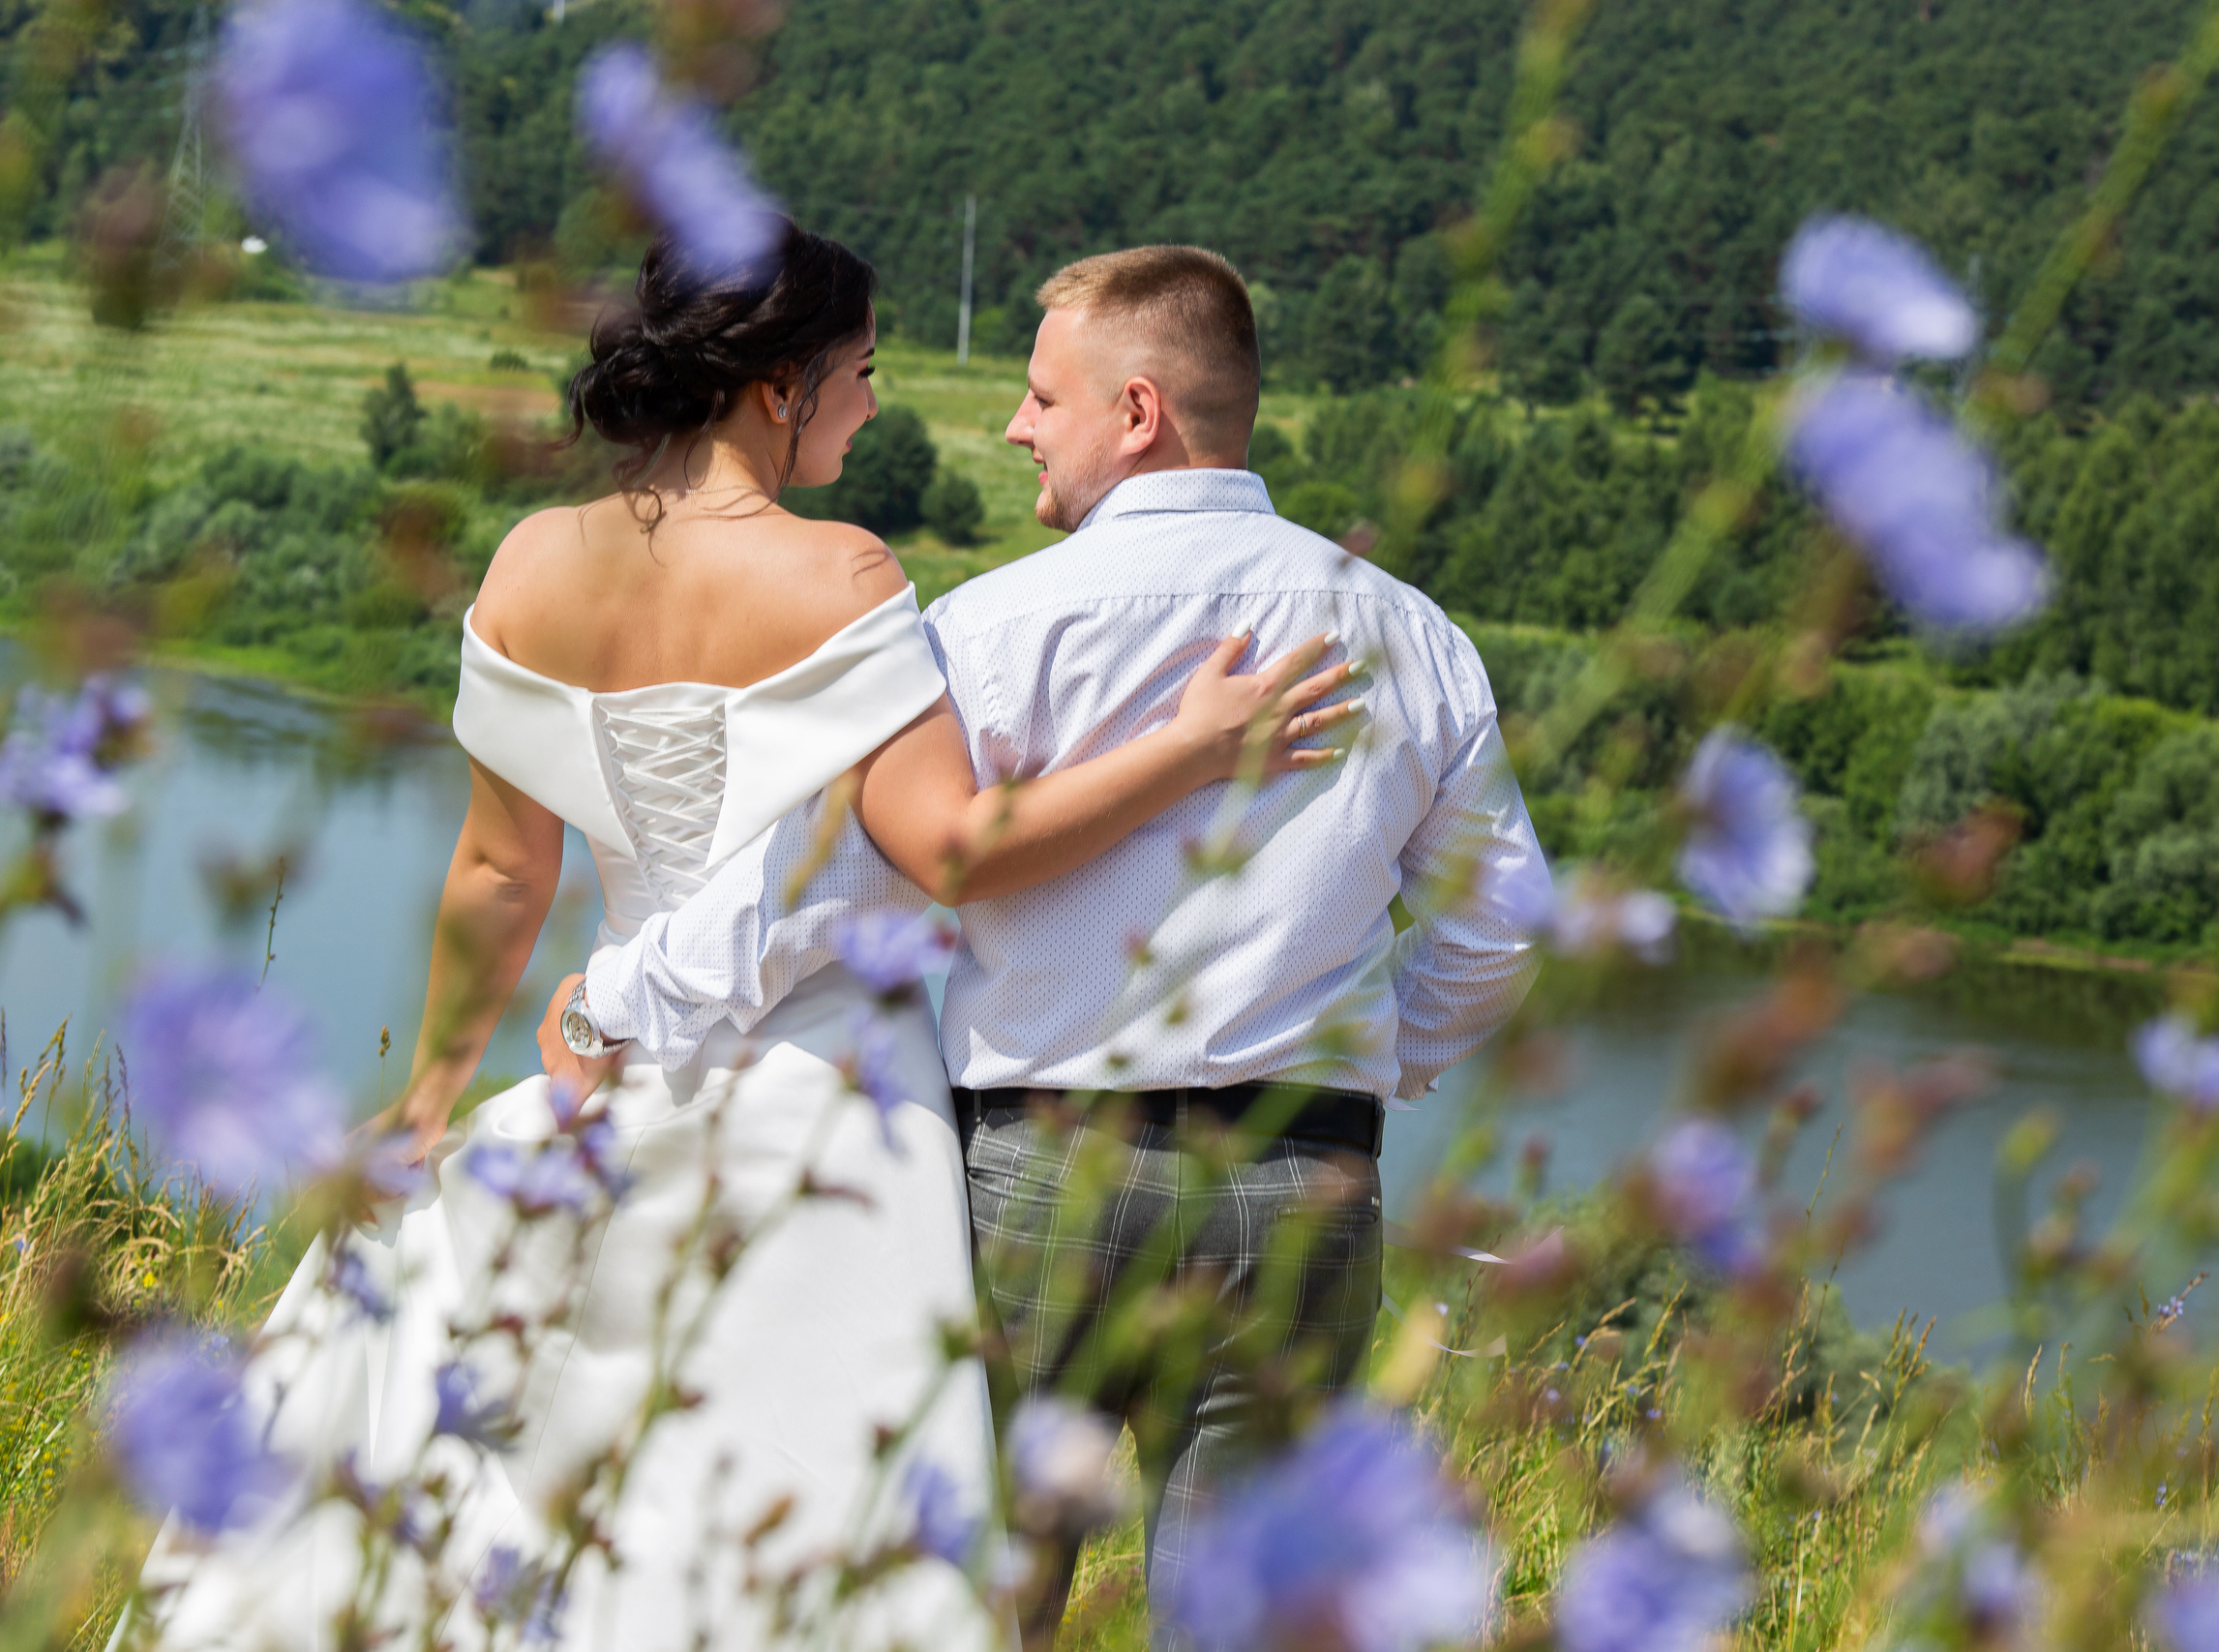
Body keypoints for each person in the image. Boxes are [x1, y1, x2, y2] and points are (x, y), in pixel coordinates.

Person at [118, 224, 1354, 1652]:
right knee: (803, 1528)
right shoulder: (842, 576)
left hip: (610, 1073)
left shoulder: (531, 563)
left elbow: (501, 869)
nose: (873, 406)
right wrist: (1193, 749)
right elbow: (955, 852)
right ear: (781, 386)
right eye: (862, 373)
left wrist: (431, 1092)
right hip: (826, 1104)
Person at [552, 244, 1548, 1647]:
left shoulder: (991, 630)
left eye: (1041, 397)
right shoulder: (1409, 635)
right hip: (1302, 1183)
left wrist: (616, 1006)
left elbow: (829, 877)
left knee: (990, 1605)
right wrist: (1359, 1070)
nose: (1018, 425)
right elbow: (1500, 928)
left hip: (1046, 1184)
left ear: (1136, 413)